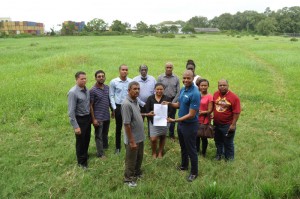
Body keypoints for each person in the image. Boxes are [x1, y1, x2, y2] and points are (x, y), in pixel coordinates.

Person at [164, 70, 200, 182]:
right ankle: (184, 165)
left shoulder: (195, 93)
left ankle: (194, 172)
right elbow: (179, 104)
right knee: (183, 147)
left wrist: (174, 120)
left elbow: (191, 114)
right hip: (181, 125)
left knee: (191, 149)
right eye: (184, 78)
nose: (185, 80)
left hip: (190, 125)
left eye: (188, 78)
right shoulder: (183, 89)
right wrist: (169, 103)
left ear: (193, 78)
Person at [121, 81, 153, 187]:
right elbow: (127, 124)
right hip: (132, 139)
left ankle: (137, 173)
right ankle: (128, 179)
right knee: (131, 160)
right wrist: (132, 141)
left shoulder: (135, 101)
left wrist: (146, 114)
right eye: (134, 89)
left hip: (139, 137)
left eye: (138, 89)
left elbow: (136, 114)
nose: (137, 91)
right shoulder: (126, 104)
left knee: (139, 157)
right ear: (129, 90)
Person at [67, 71, 91, 169]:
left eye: (85, 78)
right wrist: (76, 126)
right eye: (82, 79)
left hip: (87, 118)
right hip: (79, 119)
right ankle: (81, 163)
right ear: (76, 79)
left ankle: (85, 155)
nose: (84, 80)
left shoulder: (86, 89)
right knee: (80, 142)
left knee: (87, 139)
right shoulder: (73, 92)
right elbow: (71, 112)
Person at [213, 79, 241, 161]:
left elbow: (236, 112)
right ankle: (219, 155)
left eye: (224, 85)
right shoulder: (215, 94)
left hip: (227, 124)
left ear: (228, 86)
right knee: (218, 141)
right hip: (216, 123)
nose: (222, 87)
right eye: (220, 85)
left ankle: (229, 159)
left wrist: (233, 124)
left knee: (228, 142)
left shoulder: (234, 97)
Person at [145, 83, 172, 158]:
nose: (159, 91)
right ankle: (154, 152)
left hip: (164, 121)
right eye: (157, 89)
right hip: (153, 121)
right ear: (154, 90)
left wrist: (165, 116)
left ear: (164, 90)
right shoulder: (150, 98)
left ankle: (160, 152)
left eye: (161, 89)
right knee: (153, 139)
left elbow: (170, 110)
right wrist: (151, 114)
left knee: (163, 136)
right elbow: (147, 110)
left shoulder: (167, 98)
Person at [90, 70, 113, 159]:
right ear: (96, 78)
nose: (101, 78)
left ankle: (105, 146)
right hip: (98, 117)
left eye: (103, 76)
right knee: (98, 135)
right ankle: (100, 154)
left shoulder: (107, 88)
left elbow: (109, 100)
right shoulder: (92, 90)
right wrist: (93, 119)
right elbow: (90, 106)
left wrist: (112, 111)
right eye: (99, 76)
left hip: (106, 115)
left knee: (105, 133)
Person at [157, 62, 180, 140]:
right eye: (167, 67)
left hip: (173, 99)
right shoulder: (160, 77)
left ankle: (171, 134)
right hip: (163, 100)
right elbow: (157, 89)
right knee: (162, 117)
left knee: (172, 117)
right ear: (165, 68)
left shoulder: (176, 78)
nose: (169, 69)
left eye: (170, 67)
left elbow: (178, 92)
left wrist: (172, 102)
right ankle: (161, 134)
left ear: (172, 68)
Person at [133, 65, 156, 135]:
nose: (144, 71)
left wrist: (151, 102)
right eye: (142, 70)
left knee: (151, 120)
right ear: (139, 70)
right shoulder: (135, 80)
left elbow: (155, 91)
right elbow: (133, 94)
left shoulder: (152, 79)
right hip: (139, 104)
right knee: (139, 120)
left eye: (145, 70)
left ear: (147, 70)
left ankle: (151, 134)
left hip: (150, 104)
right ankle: (139, 134)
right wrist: (142, 103)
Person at [195, 78, 213, 157]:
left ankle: (203, 153)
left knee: (203, 137)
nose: (203, 87)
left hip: (204, 119)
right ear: (199, 86)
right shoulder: (196, 94)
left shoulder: (209, 97)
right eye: (202, 85)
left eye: (205, 85)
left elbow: (210, 110)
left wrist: (202, 112)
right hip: (195, 119)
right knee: (196, 136)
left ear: (208, 86)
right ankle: (197, 150)